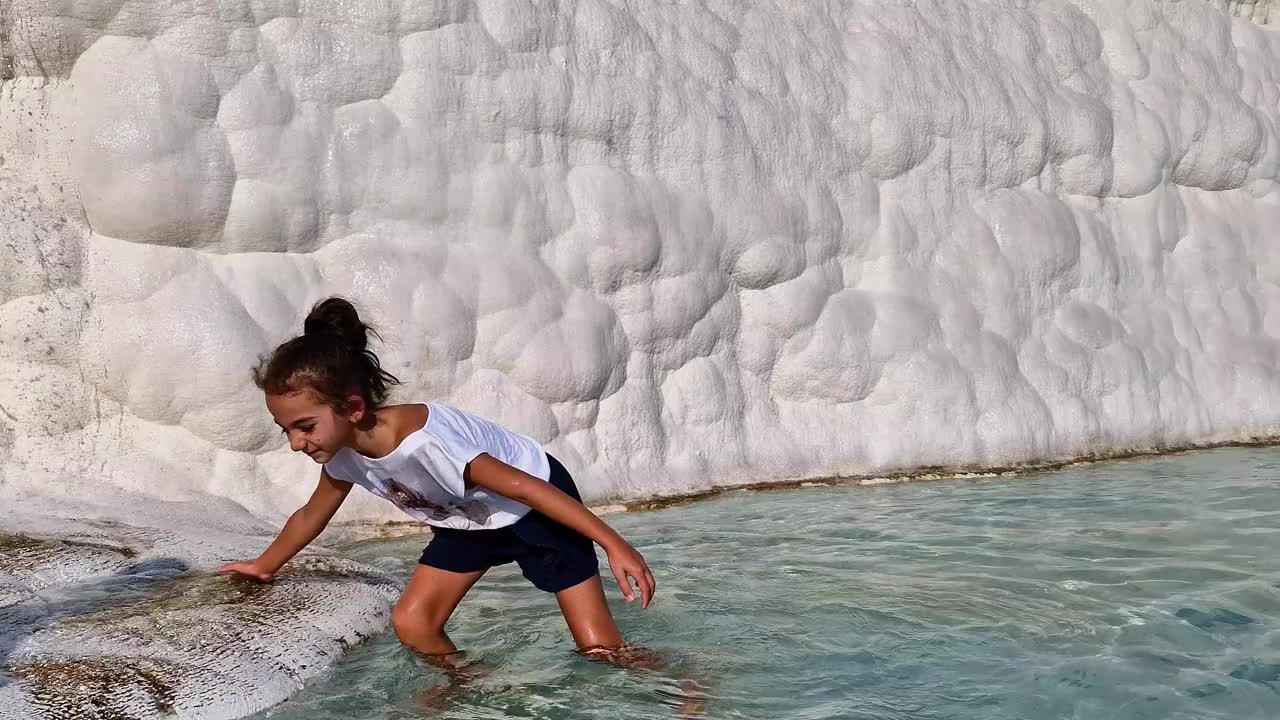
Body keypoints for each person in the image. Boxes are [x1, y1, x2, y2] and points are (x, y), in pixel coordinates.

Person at [217, 297, 657, 668]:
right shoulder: (343, 454)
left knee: (599, 649)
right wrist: (264, 565)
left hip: (534, 509)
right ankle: (471, 690)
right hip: (465, 519)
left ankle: (686, 683)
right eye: (286, 429)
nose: (296, 442)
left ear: (352, 408)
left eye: (305, 426)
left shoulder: (428, 444)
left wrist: (614, 544)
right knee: (414, 623)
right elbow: (313, 513)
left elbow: (526, 488)